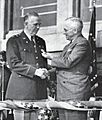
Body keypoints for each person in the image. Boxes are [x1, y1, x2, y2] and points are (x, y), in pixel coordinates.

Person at [42, 17, 92, 120]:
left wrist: (51, 57)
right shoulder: (68, 46)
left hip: (75, 92)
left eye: (66, 30)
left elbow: (68, 62)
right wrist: (46, 72)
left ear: (75, 30)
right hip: (64, 93)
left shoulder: (82, 43)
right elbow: (61, 68)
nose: (63, 33)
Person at [5, 11, 48, 120]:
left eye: (39, 24)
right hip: (22, 91)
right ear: (26, 24)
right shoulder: (14, 41)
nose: (38, 27)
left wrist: (45, 70)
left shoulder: (40, 42)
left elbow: (43, 62)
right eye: (35, 25)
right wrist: (36, 71)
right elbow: (14, 63)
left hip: (39, 91)